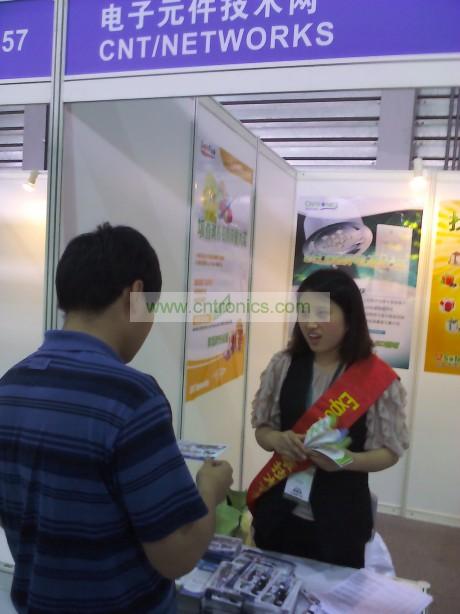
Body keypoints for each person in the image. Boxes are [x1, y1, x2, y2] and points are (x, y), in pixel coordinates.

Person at [0, 223, 233, 613]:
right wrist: (210, 489)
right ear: (135, 294)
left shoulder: (9, 386)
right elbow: (176, 556)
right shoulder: (133, 398)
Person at [248, 268, 409, 569]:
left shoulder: (376, 378)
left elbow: (390, 452)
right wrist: (277, 439)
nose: (310, 324)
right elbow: (263, 430)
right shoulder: (283, 365)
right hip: (281, 511)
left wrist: (345, 460)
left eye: (322, 313)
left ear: (350, 318)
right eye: (304, 312)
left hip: (341, 520)